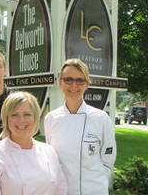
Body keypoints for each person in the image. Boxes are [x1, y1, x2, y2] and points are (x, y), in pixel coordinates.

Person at [44, 58, 116, 195]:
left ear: (87, 84)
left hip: (94, 190)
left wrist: (95, 182)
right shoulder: (51, 119)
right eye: (68, 80)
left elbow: (108, 157)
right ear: (60, 83)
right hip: (63, 191)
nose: (74, 85)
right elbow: (51, 159)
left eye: (80, 80)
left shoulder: (101, 118)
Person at [0, 91, 67, 195]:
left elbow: (61, 189)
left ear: (35, 118)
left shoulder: (49, 152)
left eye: (27, 114)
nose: (21, 120)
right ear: (6, 119)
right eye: (14, 115)